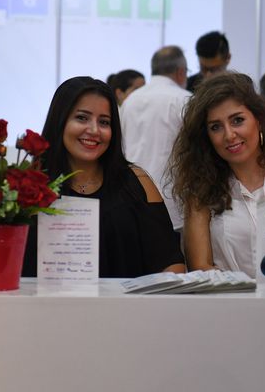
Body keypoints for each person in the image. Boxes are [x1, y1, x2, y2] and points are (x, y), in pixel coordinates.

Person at [169, 72, 265, 279]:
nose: (229, 135)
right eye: (216, 127)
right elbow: (200, 268)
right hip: (228, 299)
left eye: (237, 120)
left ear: (259, 120)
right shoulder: (201, 193)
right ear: (206, 136)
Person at [22, 77, 185, 278]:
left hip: (125, 299)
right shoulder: (29, 185)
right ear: (60, 121)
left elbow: (170, 260)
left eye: (104, 122)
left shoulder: (137, 181)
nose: (94, 130)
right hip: (44, 298)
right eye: (82, 118)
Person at [120, 46, 191, 229]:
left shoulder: (130, 101)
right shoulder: (184, 100)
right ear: (181, 72)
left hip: (132, 196)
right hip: (172, 201)